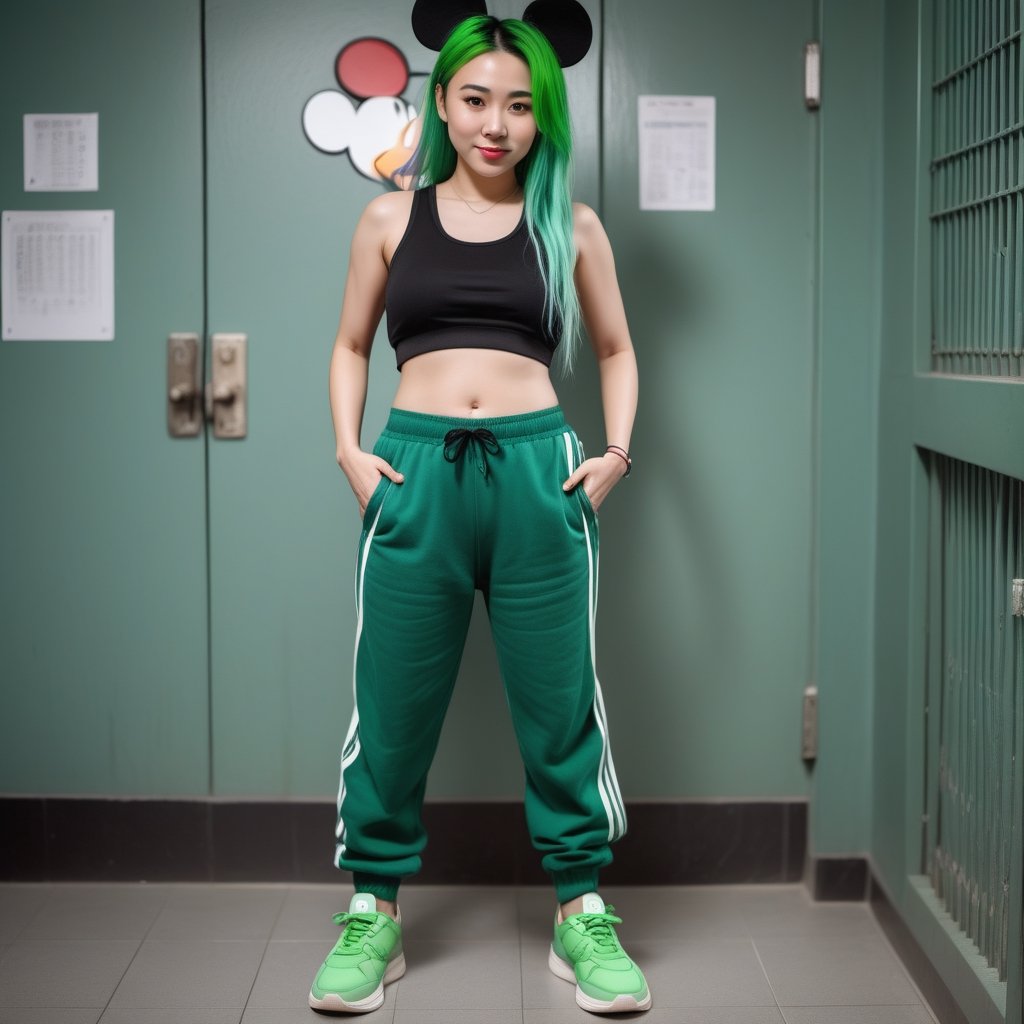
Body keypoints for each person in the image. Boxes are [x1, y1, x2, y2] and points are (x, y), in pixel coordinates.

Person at [309, 2, 649, 1015]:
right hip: (414, 475)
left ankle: (578, 910)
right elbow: (349, 345)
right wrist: (348, 449)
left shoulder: (571, 226)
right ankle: (374, 910)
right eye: (475, 100)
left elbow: (620, 350)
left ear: (544, 116)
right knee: (393, 704)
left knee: (559, 703)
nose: (496, 122)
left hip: (539, 476)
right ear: (442, 104)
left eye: (519, 105)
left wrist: (617, 453)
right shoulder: (385, 219)